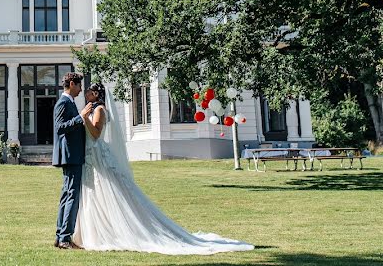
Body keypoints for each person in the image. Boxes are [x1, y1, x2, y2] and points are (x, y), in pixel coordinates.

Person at [71, 82, 255, 255]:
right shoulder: (94, 109)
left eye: (88, 91)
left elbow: (95, 134)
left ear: (95, 94)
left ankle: (108, 232)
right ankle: (94, 230)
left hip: (95, 153)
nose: (85, 94)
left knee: (107, 191)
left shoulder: (99, 110)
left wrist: (84, 117)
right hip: (90, 155)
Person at [52, 71, 90, 250]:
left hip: (72, 155)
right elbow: (59, 128)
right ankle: (65, 238)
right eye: (80, 85)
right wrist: (80, 117)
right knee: (71, 196)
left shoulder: (70, 102)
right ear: (72, 84)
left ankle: (61, 236)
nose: (81, 89)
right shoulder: (63, 102)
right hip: (70, 156)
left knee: (67, 195)